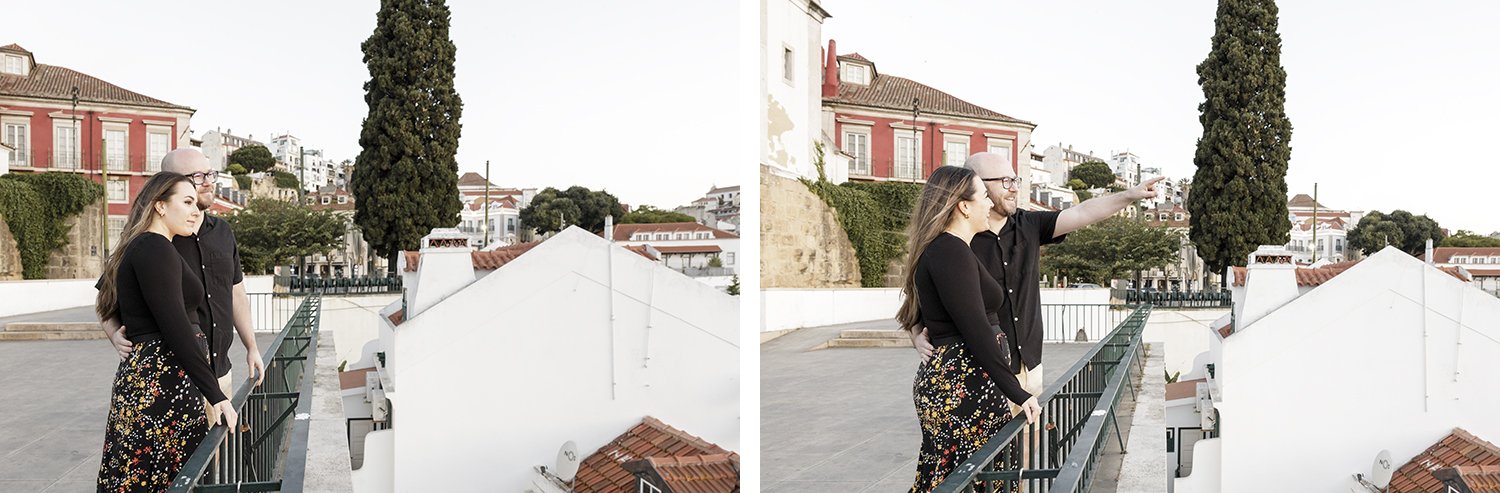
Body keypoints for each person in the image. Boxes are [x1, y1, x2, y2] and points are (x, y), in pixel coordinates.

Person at [912, 152, 1161, 415]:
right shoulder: (957, 241)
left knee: (1027, 449)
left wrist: (1129, 195)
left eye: (1015, 179)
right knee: (991, 453)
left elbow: (1082, 212)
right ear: (976, 186)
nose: (1015, 188)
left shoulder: (1028, 224)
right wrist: (917, 333)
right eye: (1005, 181)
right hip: (982, 370)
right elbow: (923, 294)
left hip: (1029, 365)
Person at [899, 166, 1042, 493]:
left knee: (968, 478)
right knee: (978, 479)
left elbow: (926, 310)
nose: (989, 205)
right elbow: (976, 330)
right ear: (963, 206)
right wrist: (1018, 392)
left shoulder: (952, 250)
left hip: (967, 384)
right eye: (982, 198)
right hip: (962, 387)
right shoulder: (949, 250)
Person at [100, 148, 265, 428]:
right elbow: (108, 299)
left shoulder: (222, 232)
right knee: (183, 468)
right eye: (196, 176)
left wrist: (252, 346)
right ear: (165, 190)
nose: (208, 182)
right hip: (175, 375)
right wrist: (115, 334)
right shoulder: (154, 242)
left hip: (216, 371)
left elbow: (236, 292)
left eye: (209, 173)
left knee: (210, 463)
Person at [95, 172, 239, 490]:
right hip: (158, 382)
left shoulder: (151, 246)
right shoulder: (153, 246)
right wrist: (217, 396)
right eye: (186, 202)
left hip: (165, 381)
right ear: (160, 206)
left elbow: (116, 302)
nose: (194, 210)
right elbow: (175, 328)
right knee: (154, 478)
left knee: (162, 476)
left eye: (195, 203)